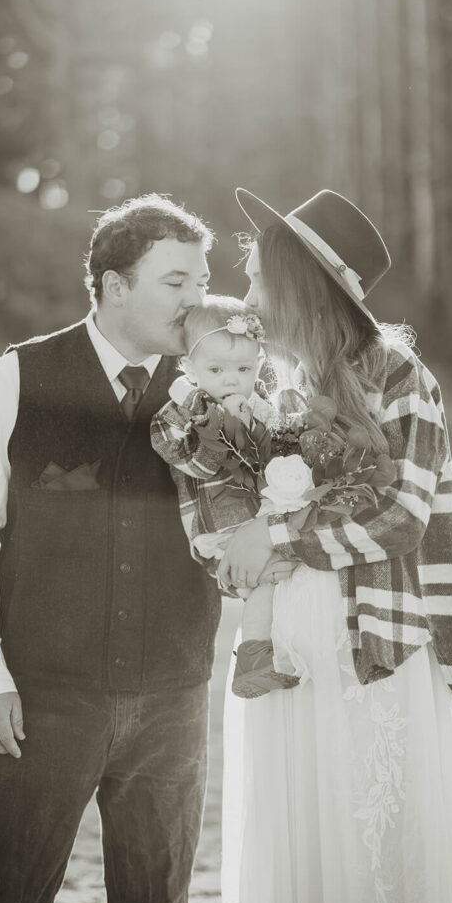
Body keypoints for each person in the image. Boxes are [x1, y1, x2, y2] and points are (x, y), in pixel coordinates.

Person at [218, 187, 452, 903]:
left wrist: (273, 535)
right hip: (286, 632)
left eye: (254, 276)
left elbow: (402, 518)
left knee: (371, 825)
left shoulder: (401, 378)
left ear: (297, 283)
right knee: (299, 814)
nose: (243, 290)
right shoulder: (276, 389)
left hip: (370, 637)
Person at [0, 193, 221, 903]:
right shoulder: (19, 377)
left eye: (201, 282)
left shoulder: (214, 389)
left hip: (172, 701)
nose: (196, 301)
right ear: (114, 285)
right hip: (40, 701)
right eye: (176, 282)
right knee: (8, 899)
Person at [150, 295, 299, 698]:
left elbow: (281, 461)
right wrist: (220, 426)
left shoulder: (261, 407)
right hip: (218, 526)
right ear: (189, 368)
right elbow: (190, 463)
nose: (231, 380)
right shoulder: (178, 414)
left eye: (244, 369)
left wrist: (273, 435)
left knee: (285, 579)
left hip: (257, 520)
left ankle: (269, 659)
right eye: (216, 369)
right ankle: (253, 661)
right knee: (267, 582)